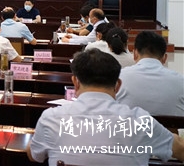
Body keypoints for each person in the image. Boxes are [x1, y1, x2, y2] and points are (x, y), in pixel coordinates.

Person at [27, 49, 184, 165]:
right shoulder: (140, 121)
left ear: (75, 82)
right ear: (118, 85)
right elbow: (180, 150)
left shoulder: (51, 118)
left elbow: (34, 155)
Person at [116, 31, 184, 116]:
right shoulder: (180, 80)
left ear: (135, 54)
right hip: (169, 125)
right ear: (165, 58)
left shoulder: (119, 77)